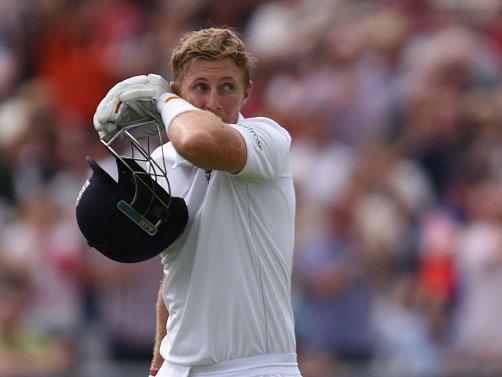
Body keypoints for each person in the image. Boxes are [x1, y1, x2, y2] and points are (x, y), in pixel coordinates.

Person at [92, 28, 302, 377]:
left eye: (227, 87)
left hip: (254, 368)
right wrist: (159, 362)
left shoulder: (268, 138)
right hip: (178, 367)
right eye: (200, 87)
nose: (214, 102)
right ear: (180, 91)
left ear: (247, 91)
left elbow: (200, 139)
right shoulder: (161, 160)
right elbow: (176, 271)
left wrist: (165, 103)